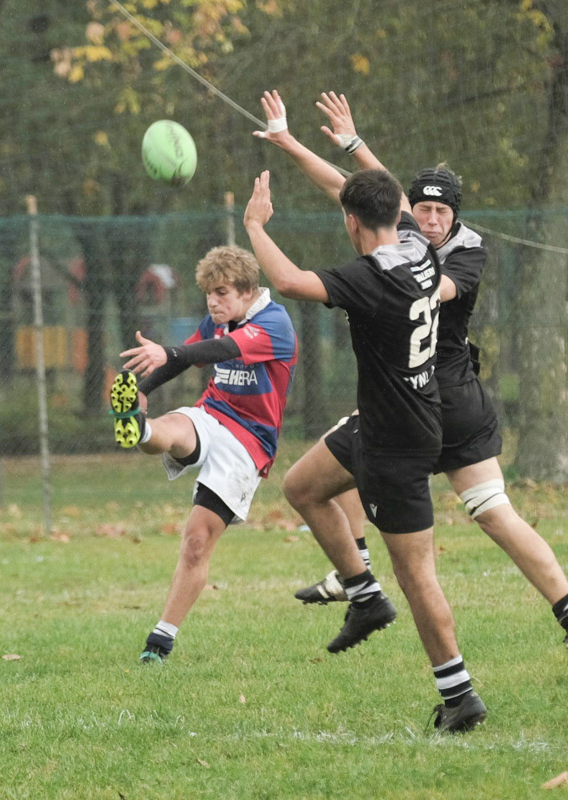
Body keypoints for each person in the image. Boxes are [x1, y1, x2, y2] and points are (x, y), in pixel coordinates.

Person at [254, 89, 568, 686]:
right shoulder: (409, 239)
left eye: (442, 212)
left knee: (491, 515)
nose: (431, 219)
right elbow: (359, 194)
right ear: (407, 210)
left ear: (458, 217)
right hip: (414, 396)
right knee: (308, 484)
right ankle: (370, 588)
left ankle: (547, 620)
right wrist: (307, 142)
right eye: (421, 209)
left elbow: (415, 274)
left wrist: (359, 175)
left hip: (442, 400)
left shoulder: (458, 254)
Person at [242, 164, 487, 734]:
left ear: (352, 223)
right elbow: (383, 197)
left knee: (418, 573)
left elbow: (291, 282)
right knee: (303, 485)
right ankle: (364, 596)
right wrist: (327, 150)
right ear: (394, 214)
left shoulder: (372, 276)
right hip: (389, 422)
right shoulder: (418, 249)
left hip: (397, 444)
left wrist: (256, 226)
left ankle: (460, 695)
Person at [108, 245, 298, 664]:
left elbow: (220, 352)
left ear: (248, 291)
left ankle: (160, 641)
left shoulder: (275, 323)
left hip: (249, 444)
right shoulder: (218, 320)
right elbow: (182, 361)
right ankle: (141, 427)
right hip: (213, 414)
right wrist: (144, 389)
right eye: (209, 293)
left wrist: (170, 352)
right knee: (175, 430)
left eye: (222, 292)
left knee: (196, 543)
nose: (213, 302)